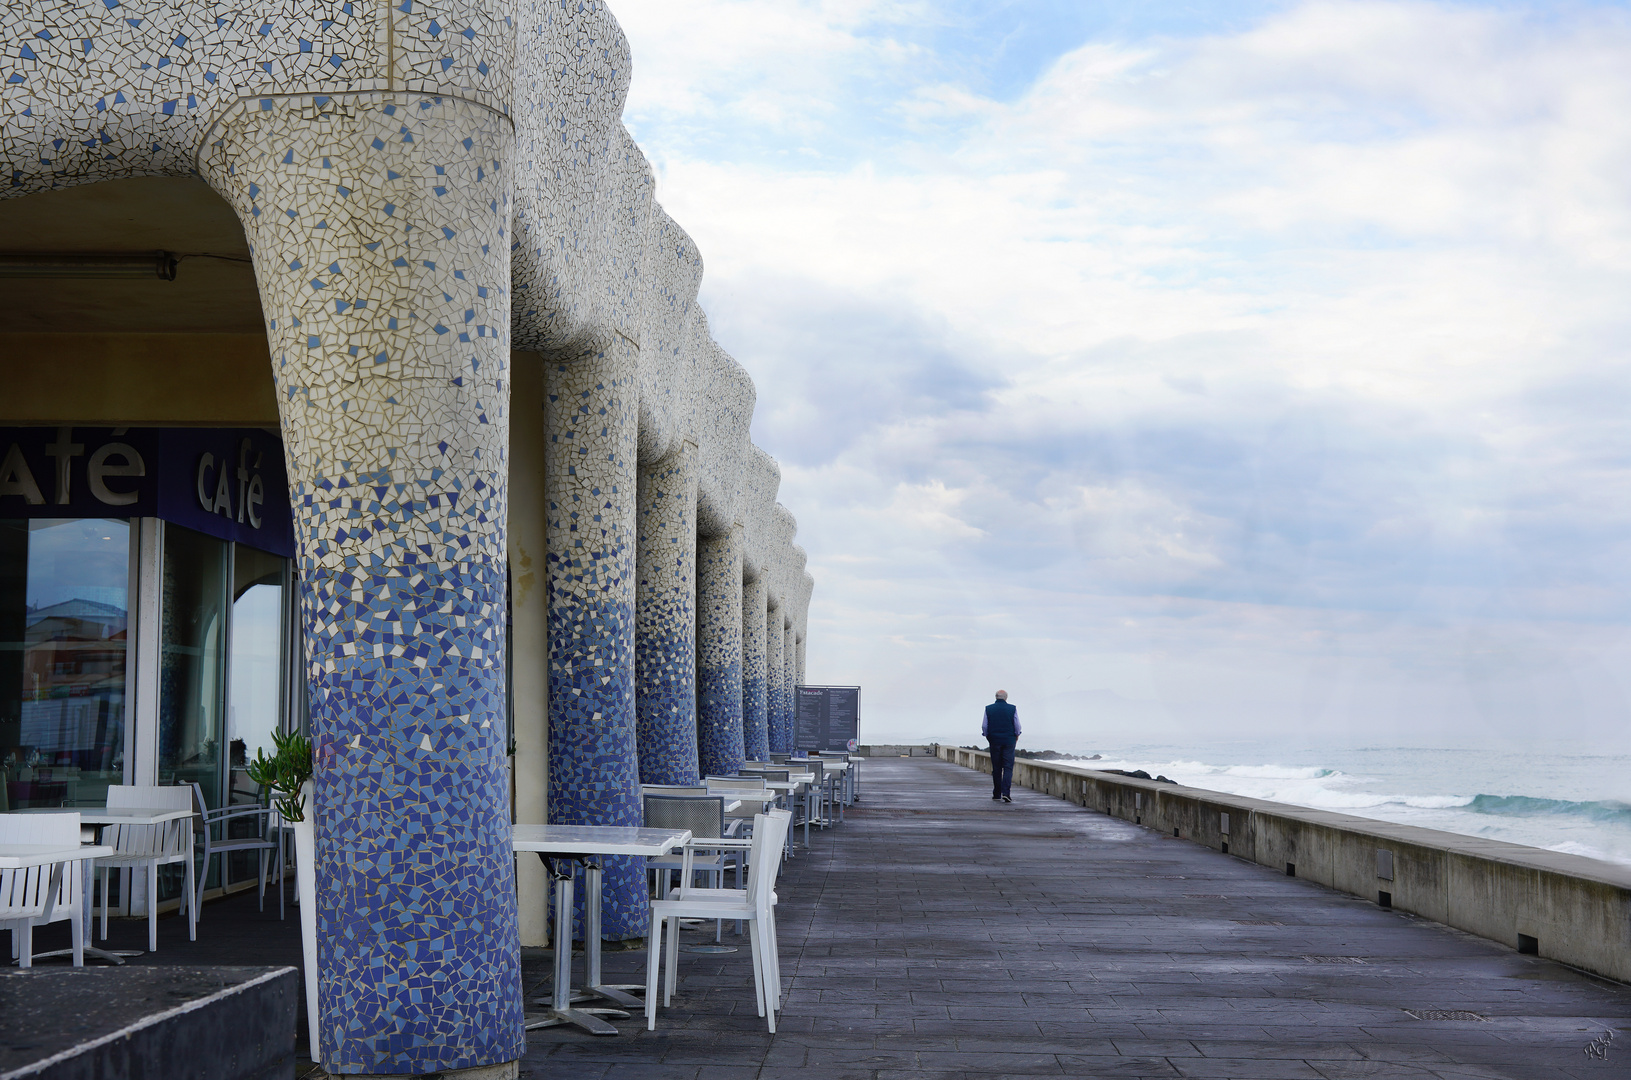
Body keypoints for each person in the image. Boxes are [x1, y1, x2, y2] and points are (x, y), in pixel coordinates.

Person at [982, 690, 1020, 803]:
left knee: (997, 767)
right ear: (1006, 698)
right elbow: (1017, 725)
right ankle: (1006, 793)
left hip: (994, 740)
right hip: (1009, 741)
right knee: (1008, 767)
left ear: (996, 697)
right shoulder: (1012, 708)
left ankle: (997, 793)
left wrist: (987, 736)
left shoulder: (988, 708)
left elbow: (984, 726)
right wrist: (1016, 735)